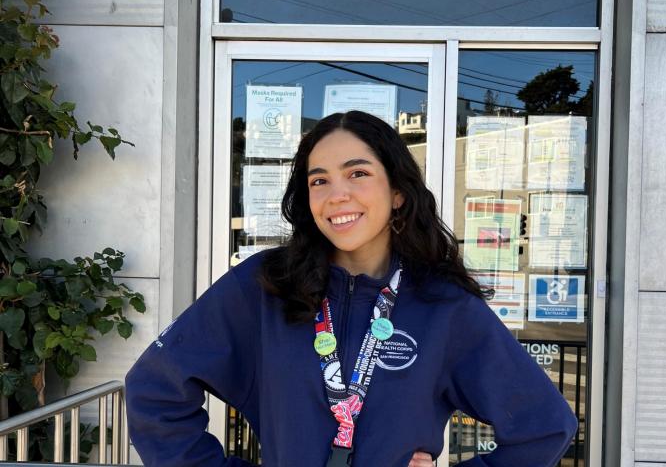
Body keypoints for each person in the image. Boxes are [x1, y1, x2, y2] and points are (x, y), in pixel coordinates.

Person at [125, 110, 578, 467]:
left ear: (398, 191)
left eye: (357, 173)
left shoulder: (443, 305)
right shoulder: (266, 286)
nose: (336, 194)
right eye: (319, 180)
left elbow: (543, 427)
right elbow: (154, 388)